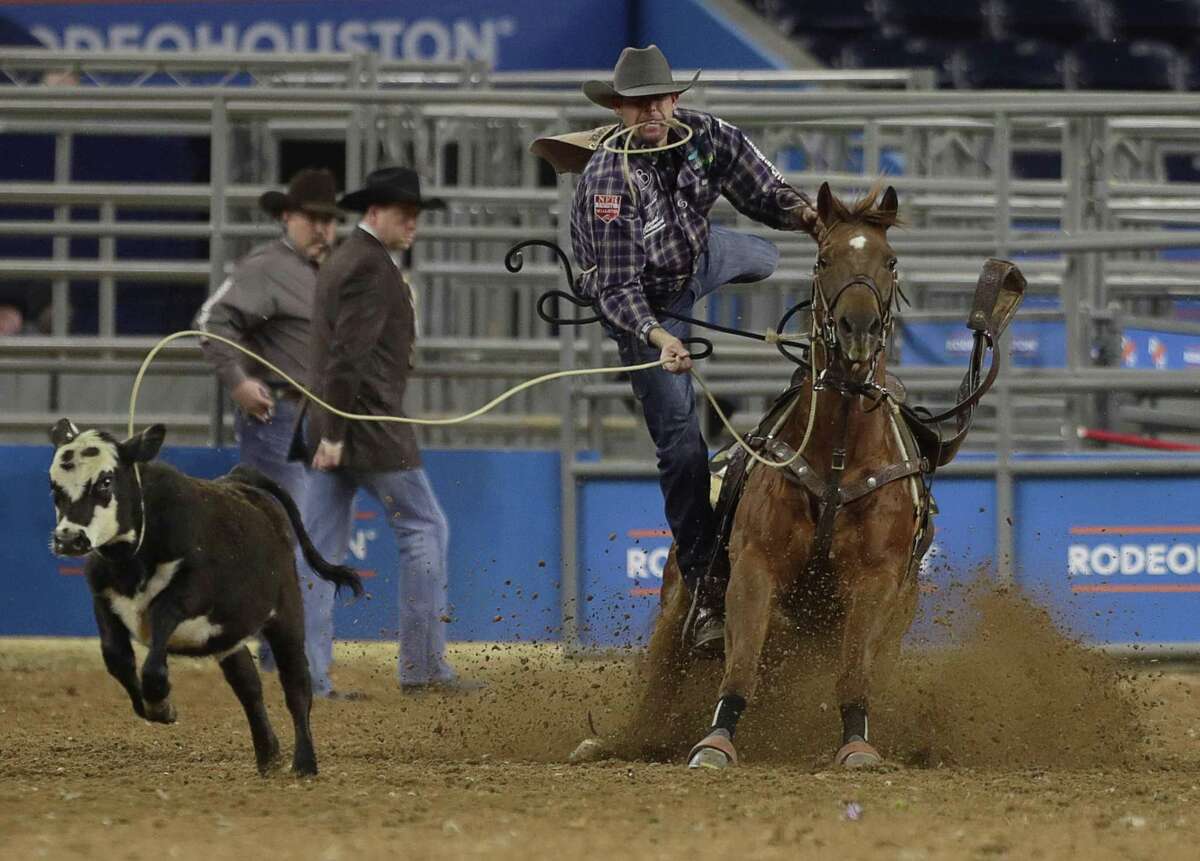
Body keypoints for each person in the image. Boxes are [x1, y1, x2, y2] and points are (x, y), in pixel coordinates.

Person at [568, 45, 821, 654]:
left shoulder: (708, 135)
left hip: (697, 256)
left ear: (675, 99)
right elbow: (618, 289)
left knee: (765, 256)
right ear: (619, 108)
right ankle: (707, 586)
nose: (652, 110)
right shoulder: (607, 180)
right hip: (644, 303)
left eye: (659, 98)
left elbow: (764, 188)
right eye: (638, 103)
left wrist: (814, 219)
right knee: (681, 444)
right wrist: (660, 338)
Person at [300, 165, 479, 693]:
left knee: (318, 550)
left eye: (417, 214)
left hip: (332, 423)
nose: (413, 223)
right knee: (424, 528)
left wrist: (328, 430)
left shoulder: (344, 258)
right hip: (368, 428)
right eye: (405, 214)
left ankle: (307, 675)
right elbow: (347, 357)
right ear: (376, 212)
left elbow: (339, 356)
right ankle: (423, 669)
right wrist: (337, 433)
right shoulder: (372, 268)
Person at [194, 167, 341, 691]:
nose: (322, 229)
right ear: (287, 218)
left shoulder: (321, 272)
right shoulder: (266, 267)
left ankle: (287, 662)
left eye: (329, 220)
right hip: (276, 417)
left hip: (309, 420)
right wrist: (238, 382)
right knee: (290, 542)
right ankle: (302, 671)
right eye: (311, 218)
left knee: (294, 542)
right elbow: (212, 323)